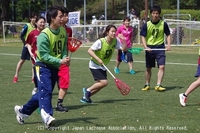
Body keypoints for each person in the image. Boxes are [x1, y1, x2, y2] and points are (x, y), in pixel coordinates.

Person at [14, 6, 70, 129]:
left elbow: (64, 48)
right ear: (52, 18)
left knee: (42, 93)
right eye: (60, 16)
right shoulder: (44, 35)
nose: (63, 18)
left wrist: (65, 58)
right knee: (47, 91)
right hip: (42, 66)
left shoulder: (63, 32)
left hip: (55, 67)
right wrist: (60, 60)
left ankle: (23, 111)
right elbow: (43, 56)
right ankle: (48, 118)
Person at [80, 24, 127, 104]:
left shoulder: (115, 41)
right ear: (107, 32)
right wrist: (98, 59)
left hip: (103, 66)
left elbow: (124, 49)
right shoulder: (101, 41)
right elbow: (89, 51)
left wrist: (124, 40)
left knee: (101, 85)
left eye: (115, 32)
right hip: (94, 64)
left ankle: (86, 97)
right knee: (104, 82)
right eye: (112, 31)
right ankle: (87, 90)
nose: (113, 33)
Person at [140, 5, 171, 91]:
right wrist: (146, 47)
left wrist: (168, 45)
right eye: (153, 13)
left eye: (157, 13)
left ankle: (158, 85)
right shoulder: (147, 25)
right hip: (149, 48)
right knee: (148, 68)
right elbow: (142, 36)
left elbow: (168, 34)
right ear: (150, 14)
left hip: (160, 48)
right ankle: (147, 84)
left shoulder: (163, 24)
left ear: (159, 14)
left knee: (161, 66)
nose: (155, 15)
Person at [56, 7, 72, 112]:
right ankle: (40, 103)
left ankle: (59, 103)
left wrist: (67, 57)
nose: (65, 18)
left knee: (64, 81)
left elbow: (68, 44)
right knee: (48, 85)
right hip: (51, 60)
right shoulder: (51, 29)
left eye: (67, 16)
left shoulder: (68, 30)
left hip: (63, 60)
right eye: (63, 15)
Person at [13, 13, 37, 83]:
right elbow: (22, 35)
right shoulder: (27, 26)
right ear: (30, 19)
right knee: (22, 61)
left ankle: (33, 78)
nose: (34, 19)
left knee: (34, 63)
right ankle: (16, 76)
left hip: (34, 47)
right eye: (33, 18)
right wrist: (25, 44)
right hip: (27, 46)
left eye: (35, 18)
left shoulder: (36, 26)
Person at [26, 16, 46, 95]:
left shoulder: (47, 32)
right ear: (36, 23)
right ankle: (36, 87)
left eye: (43, 22)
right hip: (36, 57)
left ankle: (43, 88)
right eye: (41, 22)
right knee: (36, 74)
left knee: (45, 73)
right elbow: (28, 43)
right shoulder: (32, 33)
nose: (42, 24)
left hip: (45, 56)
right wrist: (30, 51)